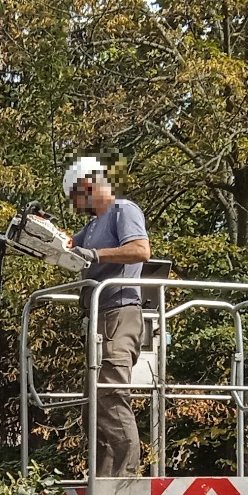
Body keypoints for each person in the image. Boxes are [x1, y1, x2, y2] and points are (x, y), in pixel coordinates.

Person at [64, 156, 152, 477]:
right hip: (98, 319)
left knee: (111, 394)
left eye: (76, 198)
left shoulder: (122, 211)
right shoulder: (91, 227)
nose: (77, 206)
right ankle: (103, 479)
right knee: (94, 403)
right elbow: (68, 245)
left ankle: (126, 478)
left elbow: (141, 250)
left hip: (120, 314)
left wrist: (97, 254)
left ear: (88, 185)